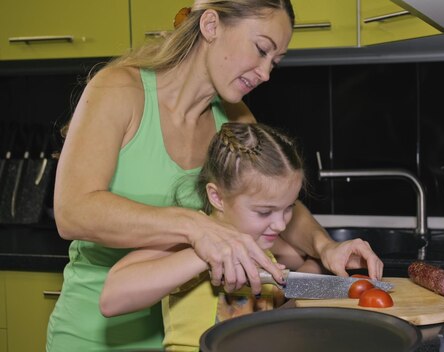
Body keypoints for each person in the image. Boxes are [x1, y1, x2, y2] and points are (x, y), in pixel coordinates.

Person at [47, 0, 383, 351]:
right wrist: (197, 228)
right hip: (96, 331)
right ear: (211, 26)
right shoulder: (119, 89)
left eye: (275, 61)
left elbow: (273, 198)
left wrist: (325, 247)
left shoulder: (234, 118)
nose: (266, 73)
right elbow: (73, 212)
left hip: (190, 335)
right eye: (261, 49)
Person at [101, 122, 310, 350]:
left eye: (289, 207)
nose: (280, 224)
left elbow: (285, 291)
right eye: (264, 212)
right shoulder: (189, 239)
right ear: (217, 197)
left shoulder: (262, 244)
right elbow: (112, 299)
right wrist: (204, 255)